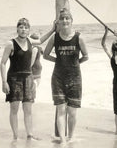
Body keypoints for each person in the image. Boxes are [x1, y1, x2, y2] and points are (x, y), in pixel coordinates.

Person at [0, 18, 55, 141]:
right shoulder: (11, 43)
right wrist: (4, 82)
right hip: (14, 79)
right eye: (21, 27)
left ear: (29, 30)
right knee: (14, 108)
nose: (23, 29)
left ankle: (29, 134)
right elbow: (3, 63)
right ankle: (15, 136)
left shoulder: (30, 41)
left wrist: (53, 29)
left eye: (26, 27)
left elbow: (41, 40)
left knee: (28, 109)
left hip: (28, 78)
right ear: (17, 29)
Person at [43, 8, 88, 145]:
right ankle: (63, 140)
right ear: (58, 22)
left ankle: (71, 137)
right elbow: (45, 55)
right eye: (62, 19)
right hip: (58, 77)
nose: (65, 21)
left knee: (72, 112)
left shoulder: (79, 37)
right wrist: (59, 61)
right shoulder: (55, 37)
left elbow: (86, 56)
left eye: (67, 18)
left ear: (71, 20)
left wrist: (74, 64)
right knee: (61, 109)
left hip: (75, 78)